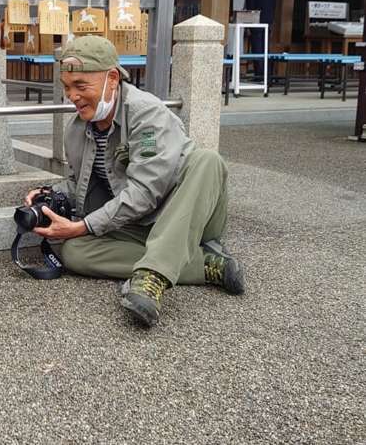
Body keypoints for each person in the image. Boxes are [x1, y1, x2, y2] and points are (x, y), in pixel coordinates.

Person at [24, 36, 244, 328]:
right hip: (135, 226)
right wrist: (51, 198)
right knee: (73, 252)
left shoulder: (146, 113)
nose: (72, 96)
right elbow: (81, 188)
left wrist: (84, 226)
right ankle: (206, 265)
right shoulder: (75, 131)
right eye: (66, 87)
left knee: (207, 160)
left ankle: (151, 279)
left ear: (112, 78)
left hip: (185, 216)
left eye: (81, 86)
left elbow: (144, 193)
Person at [244, 0, 277, 78]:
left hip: (256, 21)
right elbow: (274, 4)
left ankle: (259, 74)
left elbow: (250, 5)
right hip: (268, 20)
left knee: (257, 48)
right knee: (265, 47)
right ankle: (267, 74)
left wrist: (248, 24)